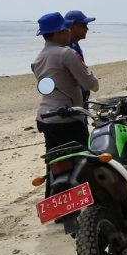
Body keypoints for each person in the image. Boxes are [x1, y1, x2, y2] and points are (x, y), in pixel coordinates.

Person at [32, 12, 99, 195]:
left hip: (46, 118)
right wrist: (92, 78)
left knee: (56, 164)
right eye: (65, 29)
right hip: (67, 117)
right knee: (83, 162)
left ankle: (58, 206)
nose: (68, 32)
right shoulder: (66, 53)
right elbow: (89, 83)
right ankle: (86, 203)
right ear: (58, 32)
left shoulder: (39, 57)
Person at [65, 10, 96, 104]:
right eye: (83, 25)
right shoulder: (68, 48)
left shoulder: (74, 45)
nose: (87, 29)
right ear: (72, 26)